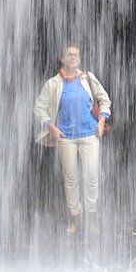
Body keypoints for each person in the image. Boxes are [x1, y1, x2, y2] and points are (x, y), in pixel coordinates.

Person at [34, 45, 112, 235]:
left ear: (80, 58)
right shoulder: (53, 83)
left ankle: (91, 219)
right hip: (65, 137)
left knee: (91, 175)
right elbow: (39, 107)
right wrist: (50, 127)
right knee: (70, 178)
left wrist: (101, 120)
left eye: (75, 54)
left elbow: (105, 99)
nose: (72, 57)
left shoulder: (89, 79)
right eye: (69, 54)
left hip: (89, 135)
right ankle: (76, 219)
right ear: (62, 58)